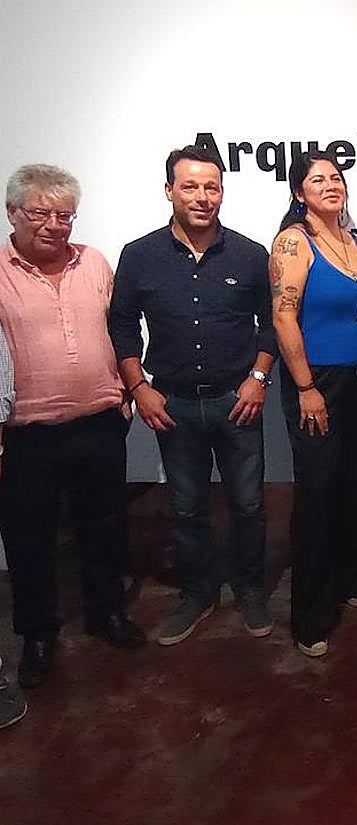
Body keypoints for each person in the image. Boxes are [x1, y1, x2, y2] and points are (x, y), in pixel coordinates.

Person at [109, 145, 276, 646]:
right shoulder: (139, 256)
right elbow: (120, 325)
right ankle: (198, 593)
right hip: (173, 405)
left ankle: (249, 589)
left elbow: (271, 324)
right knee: (185, 508)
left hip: (237, 399)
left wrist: (259, 378)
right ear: (169, 191)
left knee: (249, 505)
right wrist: (139, 387)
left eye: (212, 187)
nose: (203, 197)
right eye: (191, 186)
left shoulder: (249, 254)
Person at [0, 164, 144, 690]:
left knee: (104, 527)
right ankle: (37, 634)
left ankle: (106, 613)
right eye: (40, 213)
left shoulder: (94, 263)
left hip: (99, 422)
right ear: (13, 213)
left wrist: (128, 389)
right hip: (26, 432)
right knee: (29, 539)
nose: (54, 225)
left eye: (64, 215)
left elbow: (122, 327)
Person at [270, 151, 357, 658]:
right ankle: (310, 615)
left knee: (355, 481)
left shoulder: (353, 238)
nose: (331, 185)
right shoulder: (295, 241)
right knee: (316, 491)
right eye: (318, 180)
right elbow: (284, 317)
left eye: (336, 178)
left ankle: (351, 579)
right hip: (317, 383)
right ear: (299, 193)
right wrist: (306, 386)